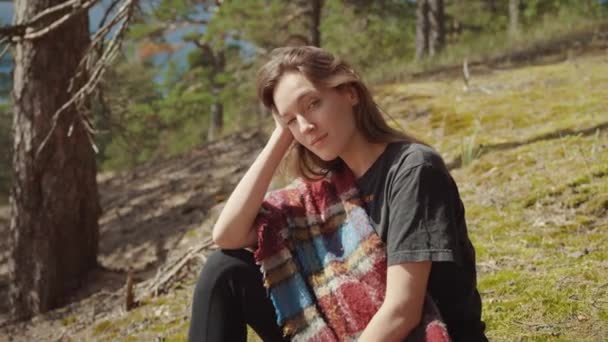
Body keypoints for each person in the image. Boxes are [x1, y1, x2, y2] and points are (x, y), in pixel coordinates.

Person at [188, 46, 487, 342]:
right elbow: (227, 235)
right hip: (343, 333)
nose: (306, 127)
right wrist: (281, 137)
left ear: (349, 92)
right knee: (224, 269)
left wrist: (293, 119)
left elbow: (402, 312)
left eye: (312, 104)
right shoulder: (324, 192)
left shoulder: (413, 169)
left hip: (425, 336)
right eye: (291, 120)